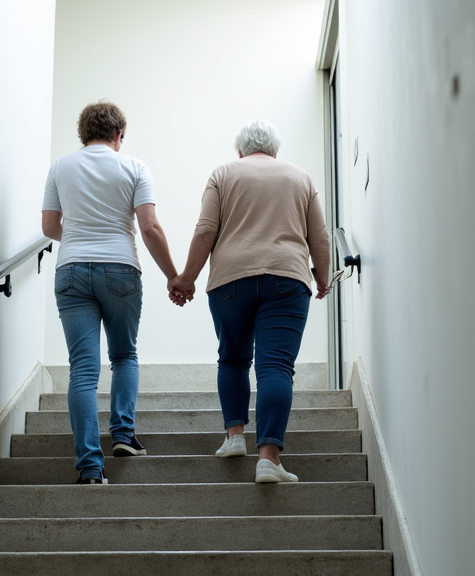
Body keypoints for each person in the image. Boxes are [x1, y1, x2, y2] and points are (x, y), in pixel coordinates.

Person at [170, 120, 332, 483]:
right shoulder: (300, 177)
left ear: (240, 150)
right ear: (275, 150)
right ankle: (268, 459)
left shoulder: (224, 173)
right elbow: (319, 236)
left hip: (230, 281)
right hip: (286, 279)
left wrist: (186, 279)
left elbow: (206, 230)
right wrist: (322, 276)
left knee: (232, 358)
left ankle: (234, 437)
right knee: (275, 367)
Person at [42, 101, 179, 485]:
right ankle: (123, 436)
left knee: (82, 370)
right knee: (123, 354)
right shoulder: (134, 167)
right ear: (119, 135)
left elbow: (51, 226)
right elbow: (149, 228)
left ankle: (89, 467)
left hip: (70, 269)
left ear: (83, 134)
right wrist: (173, 275)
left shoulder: (60, 167)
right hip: (120, 268)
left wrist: (80, 237)